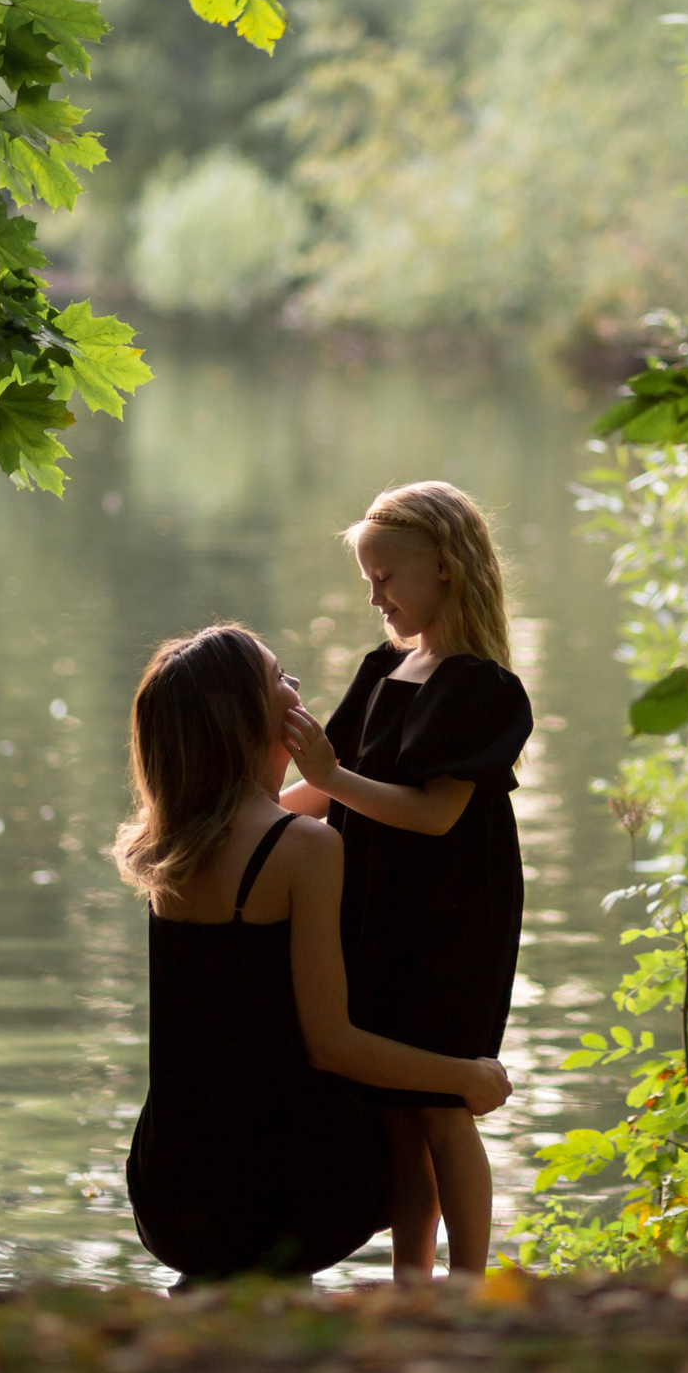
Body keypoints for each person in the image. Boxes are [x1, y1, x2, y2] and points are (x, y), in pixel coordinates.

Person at [116, 623, 512, 1286]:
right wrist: (461, 1075)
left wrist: (335, 776)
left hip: (168, 1199)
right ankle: (427, 1295)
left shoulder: (165, 844)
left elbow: (303, 798)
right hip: (288, 1202)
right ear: (244, 717)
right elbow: (332, 1043)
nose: (296, 687)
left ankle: (217, 1280)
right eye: (278, 678)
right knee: (409, 1110)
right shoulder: (303, 848)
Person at [282, 481, 533, 1283]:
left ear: (447, 568)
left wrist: (328, 772)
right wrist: (231, 820)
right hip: (372, 910)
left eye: (387, 576)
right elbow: (323, 788)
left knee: (441, 1104)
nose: (375, 595)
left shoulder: (483, 688)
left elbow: (433, 814)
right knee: (391, 1108)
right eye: (368, 578)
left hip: (452, 920)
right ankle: (411, 1284)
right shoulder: (382, 668)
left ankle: (466, 1286)